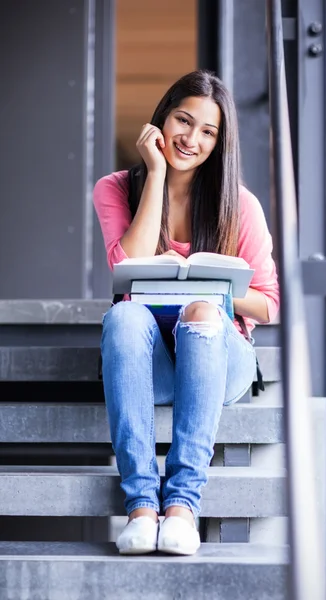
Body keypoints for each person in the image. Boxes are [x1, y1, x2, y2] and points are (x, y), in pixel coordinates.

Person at [93, 70, 279, 557]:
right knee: (125, 316)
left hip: (218, 359)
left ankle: (180, 506)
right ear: (162, 117)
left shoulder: (238, 204)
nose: (191, 139)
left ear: (220, 143)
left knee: (201, 308)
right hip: (145, 364)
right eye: (183, 120)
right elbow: (124, 266)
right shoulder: (115, 188)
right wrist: (155, 173)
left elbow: (269, 303)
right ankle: (140, 507)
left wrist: (212, 287)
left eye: (208, 132)